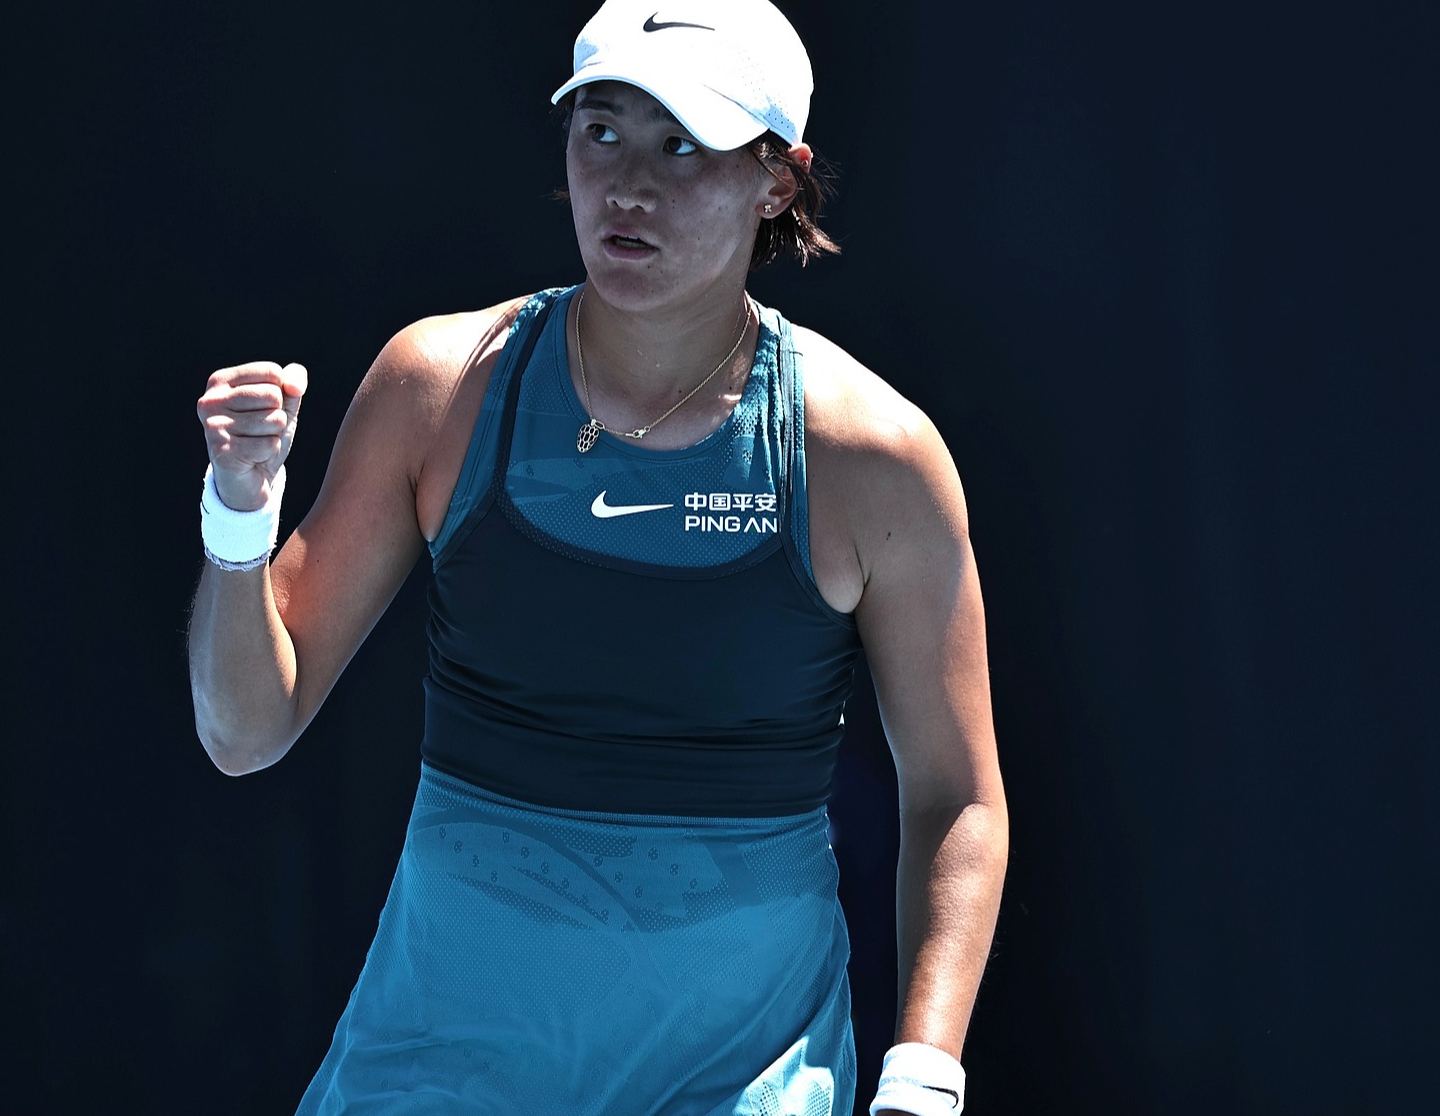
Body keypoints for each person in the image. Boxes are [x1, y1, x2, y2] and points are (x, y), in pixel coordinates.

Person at [187, 2, 1006, 1113]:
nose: (628, 185)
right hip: (431, 1080)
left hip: (744, 1083)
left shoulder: (874, 459)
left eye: (683, 145)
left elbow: (956, 799)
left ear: (777, 180)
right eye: (602, 131)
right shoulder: (440, 388)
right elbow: (245, 731)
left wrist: (922, 1076)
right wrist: (239, 516)